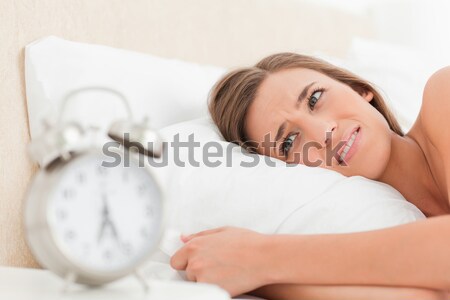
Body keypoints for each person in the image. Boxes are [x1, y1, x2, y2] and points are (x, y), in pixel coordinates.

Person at [170, 53, 450, 299]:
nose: (323, 132)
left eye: (315, 99)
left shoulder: (443, 93)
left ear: (359, 88)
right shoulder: (368, 229)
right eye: (290, 142)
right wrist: (259, 280)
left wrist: (259, 257)